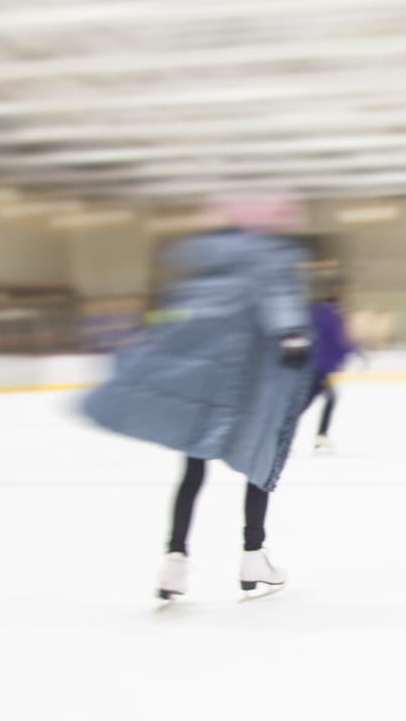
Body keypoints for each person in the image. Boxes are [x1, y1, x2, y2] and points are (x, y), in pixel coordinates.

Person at [81, 203, 313, 601]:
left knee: (191, 471)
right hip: (248, 383)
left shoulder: (209, 266)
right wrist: (293, 335)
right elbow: (279, 300)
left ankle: (174, 562)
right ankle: (253, 556)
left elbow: (177, 316)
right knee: (259, 459)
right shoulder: (271, 257)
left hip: (200, 383)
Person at [307, 289, 359, 451]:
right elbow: (336, 342)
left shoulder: (315, 315)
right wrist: (353, 351)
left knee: (328, 399)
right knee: (307, 403)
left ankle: (321, 435)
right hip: (317, 369)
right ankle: (320, 436)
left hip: (316, 369)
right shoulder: (328, 317)